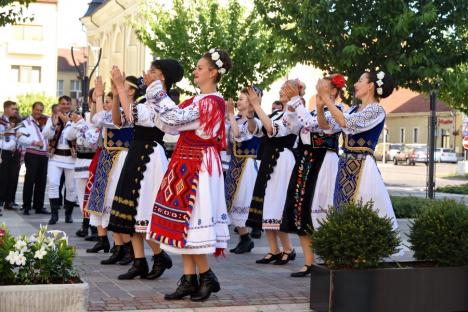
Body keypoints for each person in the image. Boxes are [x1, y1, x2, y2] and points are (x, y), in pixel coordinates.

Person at [147, 49, 232, 301]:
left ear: (213, 72)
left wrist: (156, 91)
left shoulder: (212, 102)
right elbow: (168, 125)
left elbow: (174, 117)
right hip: (184, 161)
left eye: (200, 67)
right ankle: (188, 279)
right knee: (182, 224)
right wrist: (154, 100)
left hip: (199, 165)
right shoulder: (196, 101)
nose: (195, 71)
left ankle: (206, 276)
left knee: (193, 221)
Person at [108, 61, 183, 280]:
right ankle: (139, 261)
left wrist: (122, 88)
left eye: (153, 72)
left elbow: (132, 116)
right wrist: (116, 94)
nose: (147, 74)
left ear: (163, 78)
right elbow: (119, 120)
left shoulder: (165, 102)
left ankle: (159, 255)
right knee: (131, 208)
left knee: (143, 208)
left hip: (150, 157)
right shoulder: (145, 99)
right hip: (136, 153)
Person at [280, 74, 345, 277]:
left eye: (323, 85)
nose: (318, 86)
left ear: (333, 91)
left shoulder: (339, 111)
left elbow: (316, 125)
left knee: (322, 208)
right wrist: (291, 105)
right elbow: (293, 126)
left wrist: (296, 101)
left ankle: (329, 259)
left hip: (324, 162)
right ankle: (309, 262)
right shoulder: (308, 110)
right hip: (306, 162)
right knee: (301, 209)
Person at [316, 69, 398, 230]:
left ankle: (361, 253)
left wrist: (326, 97)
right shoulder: (353, 109)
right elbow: (326, 126)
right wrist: (320, 107)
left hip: (363, 167)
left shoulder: (376, 110)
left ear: (370, 86)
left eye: (360, 80)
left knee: (362, 206)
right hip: (345, 165)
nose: (355, 84)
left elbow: (347, 123)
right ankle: (349, 251)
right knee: (342, 210)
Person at [246, 80, 301, 266]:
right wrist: (250, 115)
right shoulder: (277, 113)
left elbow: (272, 129)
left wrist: (256, 105)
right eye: (281, 88)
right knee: (267, 203)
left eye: (285, 89)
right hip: (269, 159)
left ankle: (288, 249)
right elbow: (258, 130)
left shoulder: (293, 115)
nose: (281, 91)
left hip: (283, 160)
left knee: (278, 204)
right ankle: (273, 249)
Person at [224, 88, 261, 254]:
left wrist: (230, 115)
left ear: (250, 103)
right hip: (234, 164)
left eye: (242, 99)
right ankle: (244, 238)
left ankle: (247, 237)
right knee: (232, 201)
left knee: (241, 201)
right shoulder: (236, 118)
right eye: (238, 99)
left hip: (246, 166)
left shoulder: (253, 122)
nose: (238, 102)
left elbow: (239, 135)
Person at [65, 89, 100, 238]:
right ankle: (85, 226)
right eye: (92, 98)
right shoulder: (81, 116)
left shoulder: (100, 117)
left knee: (94, 196)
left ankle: (95, 230)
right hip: (80, 163)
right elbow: (68, 135)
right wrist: (76, 123)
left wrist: (81, 124)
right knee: (81, 197)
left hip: (95, 162)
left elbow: (93, 140)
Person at [42, 95, 77, 224]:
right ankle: (54, 215)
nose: (65, 105)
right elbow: (46, 135)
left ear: (71, 105)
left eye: (68, 103)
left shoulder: (76, 117)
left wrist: (68, 121)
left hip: (71, 157)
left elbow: (75, 135)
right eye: (63, 103)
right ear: (59, 105)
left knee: (71, 187)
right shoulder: (52, 118)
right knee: (53, 184)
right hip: (55, 156)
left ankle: (68, 214)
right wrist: (53, 124)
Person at [17, 102, 50, 215]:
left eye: (41, 110)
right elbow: (19, 137)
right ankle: (26, 206)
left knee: (42, 181)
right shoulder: (24, 123)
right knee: (30, 181)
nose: (38, 112)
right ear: (32, 109)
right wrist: (34, 142)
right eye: (37, 110)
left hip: (44, 155)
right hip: (32, 154)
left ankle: (38, 206)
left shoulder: (45, 122)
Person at [0, 101, 20, 214]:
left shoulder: (15, 121)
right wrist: (8, 130)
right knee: (2, 178)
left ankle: (9, 201)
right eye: (13, 109)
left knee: (13, 177)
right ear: (6, 109)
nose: (15, 111)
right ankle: (1, 201)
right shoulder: (1, 121)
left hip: (14, 152)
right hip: (3, 152)